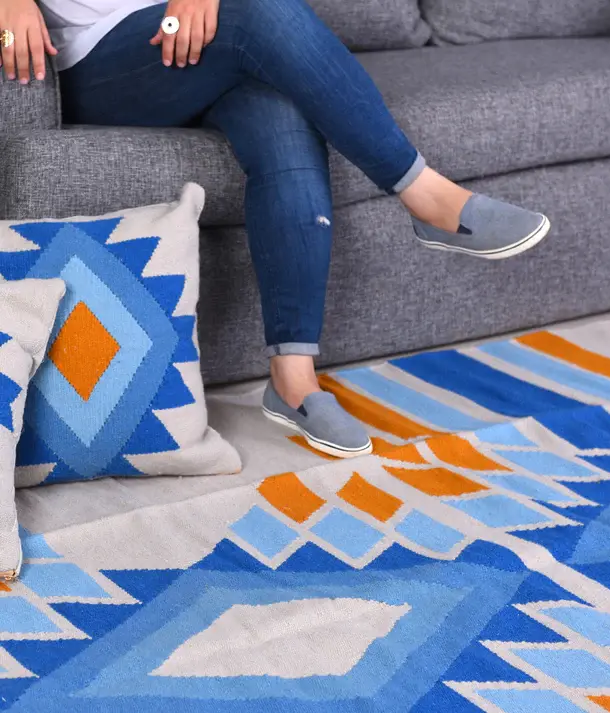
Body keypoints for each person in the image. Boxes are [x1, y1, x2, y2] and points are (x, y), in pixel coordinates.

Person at [0, 0, 551, 459]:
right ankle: (425, 194)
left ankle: (293, 379)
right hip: (100, 57)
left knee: (279, 110)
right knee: (260, 10)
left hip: (192, 36)